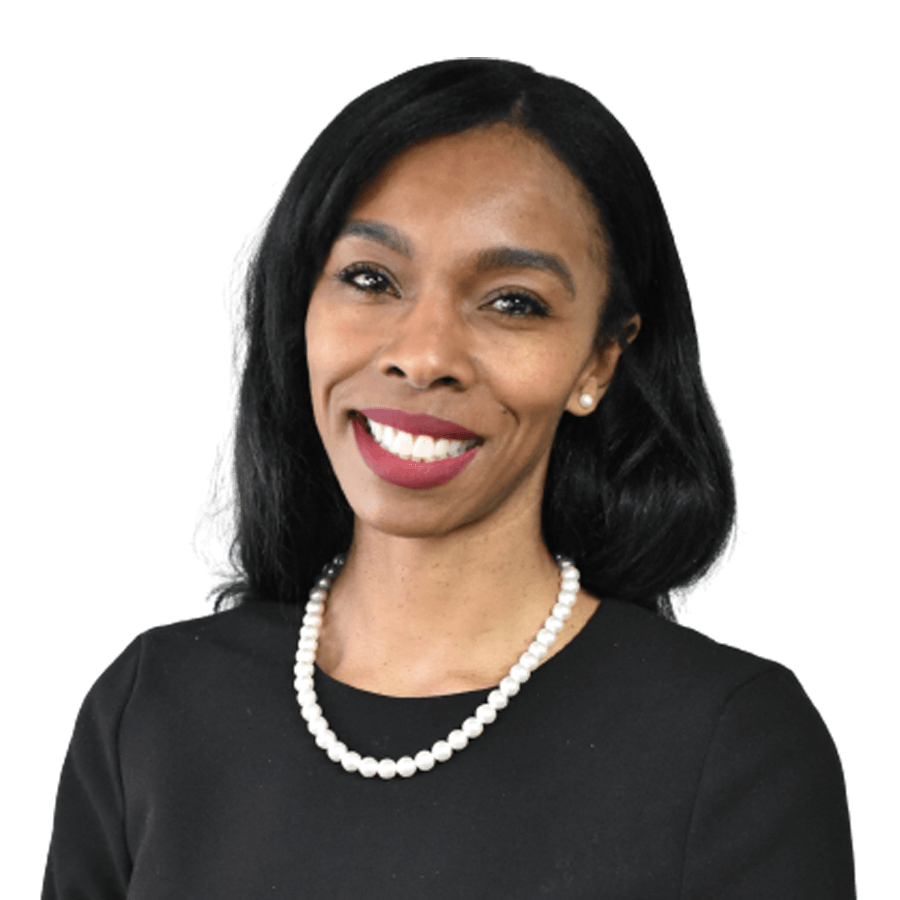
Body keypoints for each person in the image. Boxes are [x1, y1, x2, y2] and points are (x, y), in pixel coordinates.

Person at [42, 58, 856, 898]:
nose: (423, 355)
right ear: (301, 307)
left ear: (600, 361)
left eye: (513, 302)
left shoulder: (732, 744)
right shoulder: (151, 707)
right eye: (370, 279)